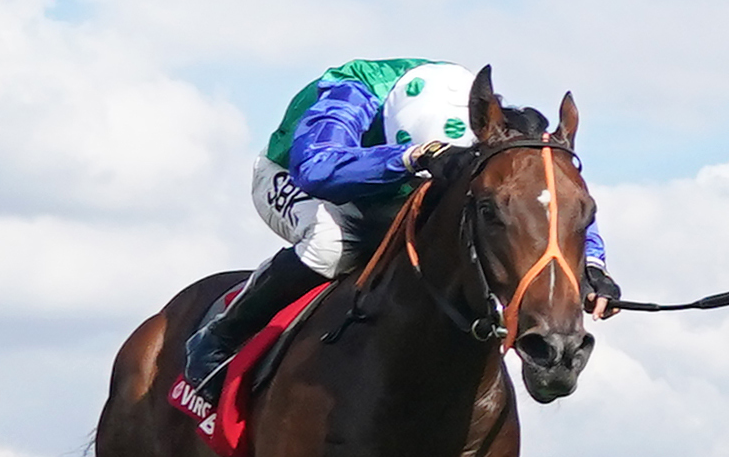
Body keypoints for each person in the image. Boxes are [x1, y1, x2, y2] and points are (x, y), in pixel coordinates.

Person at [182, 60, 621, 399]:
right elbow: (315, 170)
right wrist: (410, 159)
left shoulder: (483, 114)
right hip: (298, 174)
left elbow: (547, 195)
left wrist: (593, 265)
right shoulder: (350, 93)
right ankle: (220, 337)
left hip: (401, 180)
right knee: (334, 243)